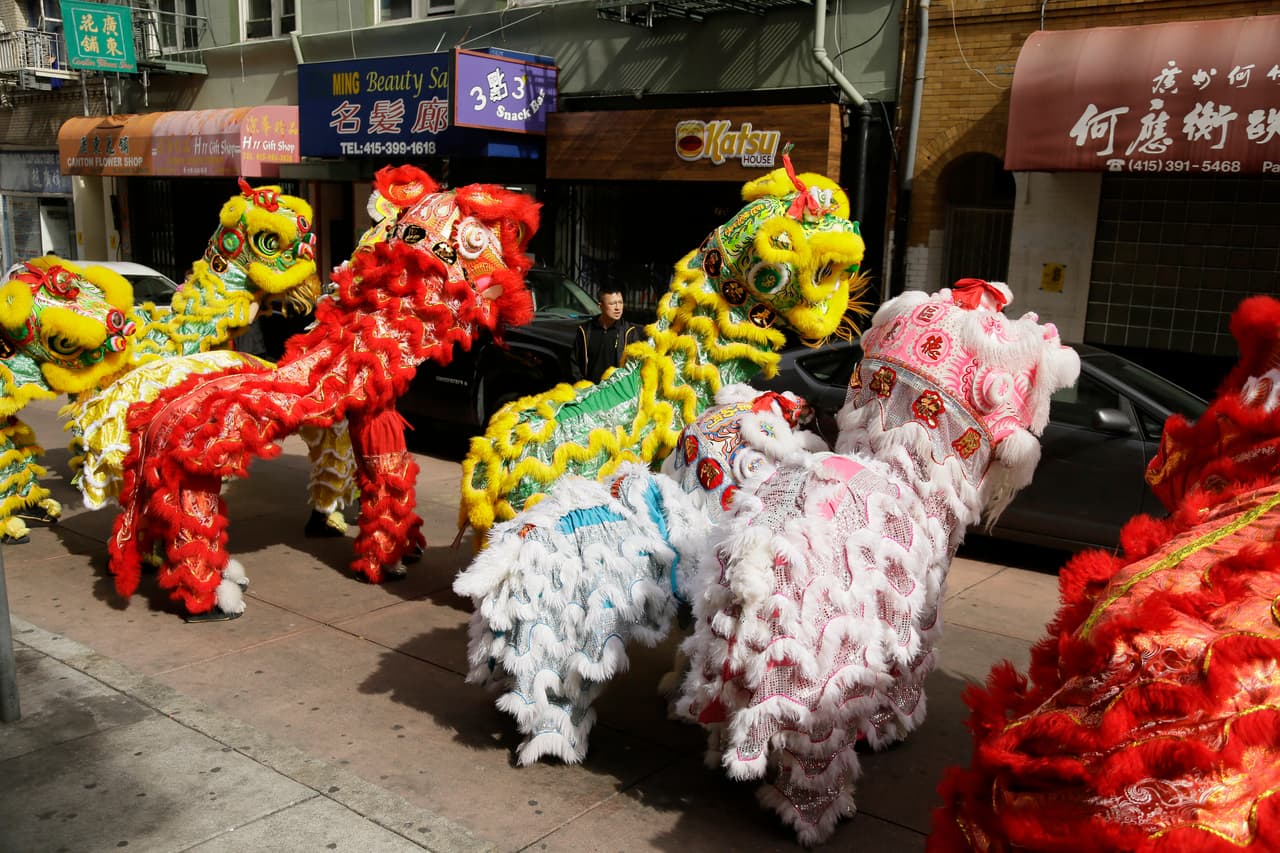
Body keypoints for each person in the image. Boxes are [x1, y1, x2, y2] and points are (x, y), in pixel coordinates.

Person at [570, 287, 640, 383]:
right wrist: (581, 387)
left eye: (620, 302)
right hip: (590, 391)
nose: (617, 308)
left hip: (617, 391)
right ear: (600, 306)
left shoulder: (629, 332)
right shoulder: (585, 330)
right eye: (612, 304)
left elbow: (636, 366)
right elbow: (574, 363)